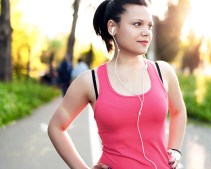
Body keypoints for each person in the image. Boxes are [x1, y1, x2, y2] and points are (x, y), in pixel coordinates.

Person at [48, 0, 187, 169]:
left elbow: (178, 111)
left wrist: (174, 149)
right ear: (112, 27)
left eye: (149, 26)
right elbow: (56, 127)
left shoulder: (163, 71)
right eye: (137, 24)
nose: (146, 32)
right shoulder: (90, 81)